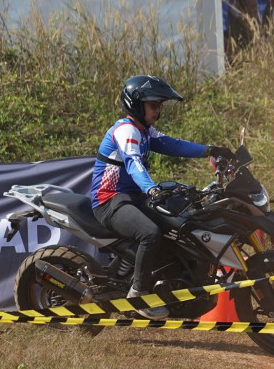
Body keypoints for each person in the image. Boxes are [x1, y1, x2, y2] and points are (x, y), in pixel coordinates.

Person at [91, 75, 234, 318]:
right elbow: (134, 164)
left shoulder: (144, 131)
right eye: (154, 105)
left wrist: (209, 150)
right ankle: (139, 296)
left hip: (132, 197)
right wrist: (151, 189)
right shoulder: (127, 131)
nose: (158, 111)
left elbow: (173, 145)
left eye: (160, 106)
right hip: (109, 200)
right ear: (137, 105)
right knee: (149, 233)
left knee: (179, 222)